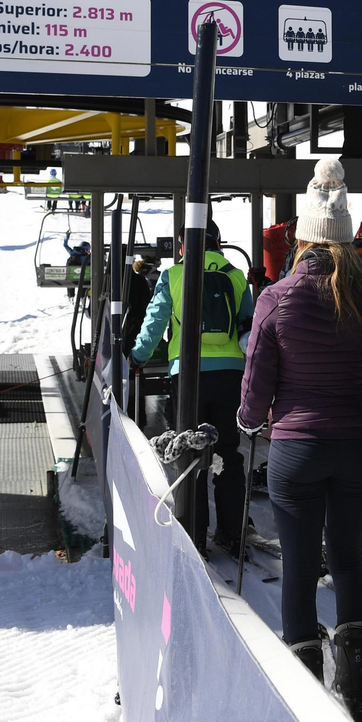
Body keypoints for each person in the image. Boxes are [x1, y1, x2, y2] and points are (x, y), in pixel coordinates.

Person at [238, 157, 362, 722]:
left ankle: (304, 703)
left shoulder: (277, 298)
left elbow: (257, 382)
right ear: (349, 236)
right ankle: (355, 698)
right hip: (356, 444)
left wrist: (251, 420)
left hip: (296, 448)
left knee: (301, 567)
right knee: (349, 559)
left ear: (302, 235)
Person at [130, 220, 252, 553]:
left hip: (188, 375)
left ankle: (194, 534)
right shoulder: (236, 275)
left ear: (184, 245)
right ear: (218, 243)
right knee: (229, 452)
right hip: (229, 374)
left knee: (190, 453)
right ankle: (231, 533)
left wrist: (138, 356)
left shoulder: (173, 276)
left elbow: (154, 322)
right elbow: (248, 329)